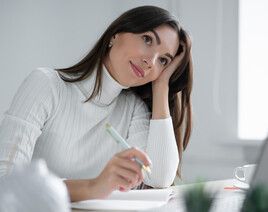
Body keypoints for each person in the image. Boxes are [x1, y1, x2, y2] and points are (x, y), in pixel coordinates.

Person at [0, 6, 193, 202]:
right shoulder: (46, 85)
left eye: (163, 61)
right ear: (115, 35)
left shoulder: (133, 109)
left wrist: (161, 85)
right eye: (147, 39)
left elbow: (160, 178)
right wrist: (93, 187)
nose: (150, 61)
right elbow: (6, 182)